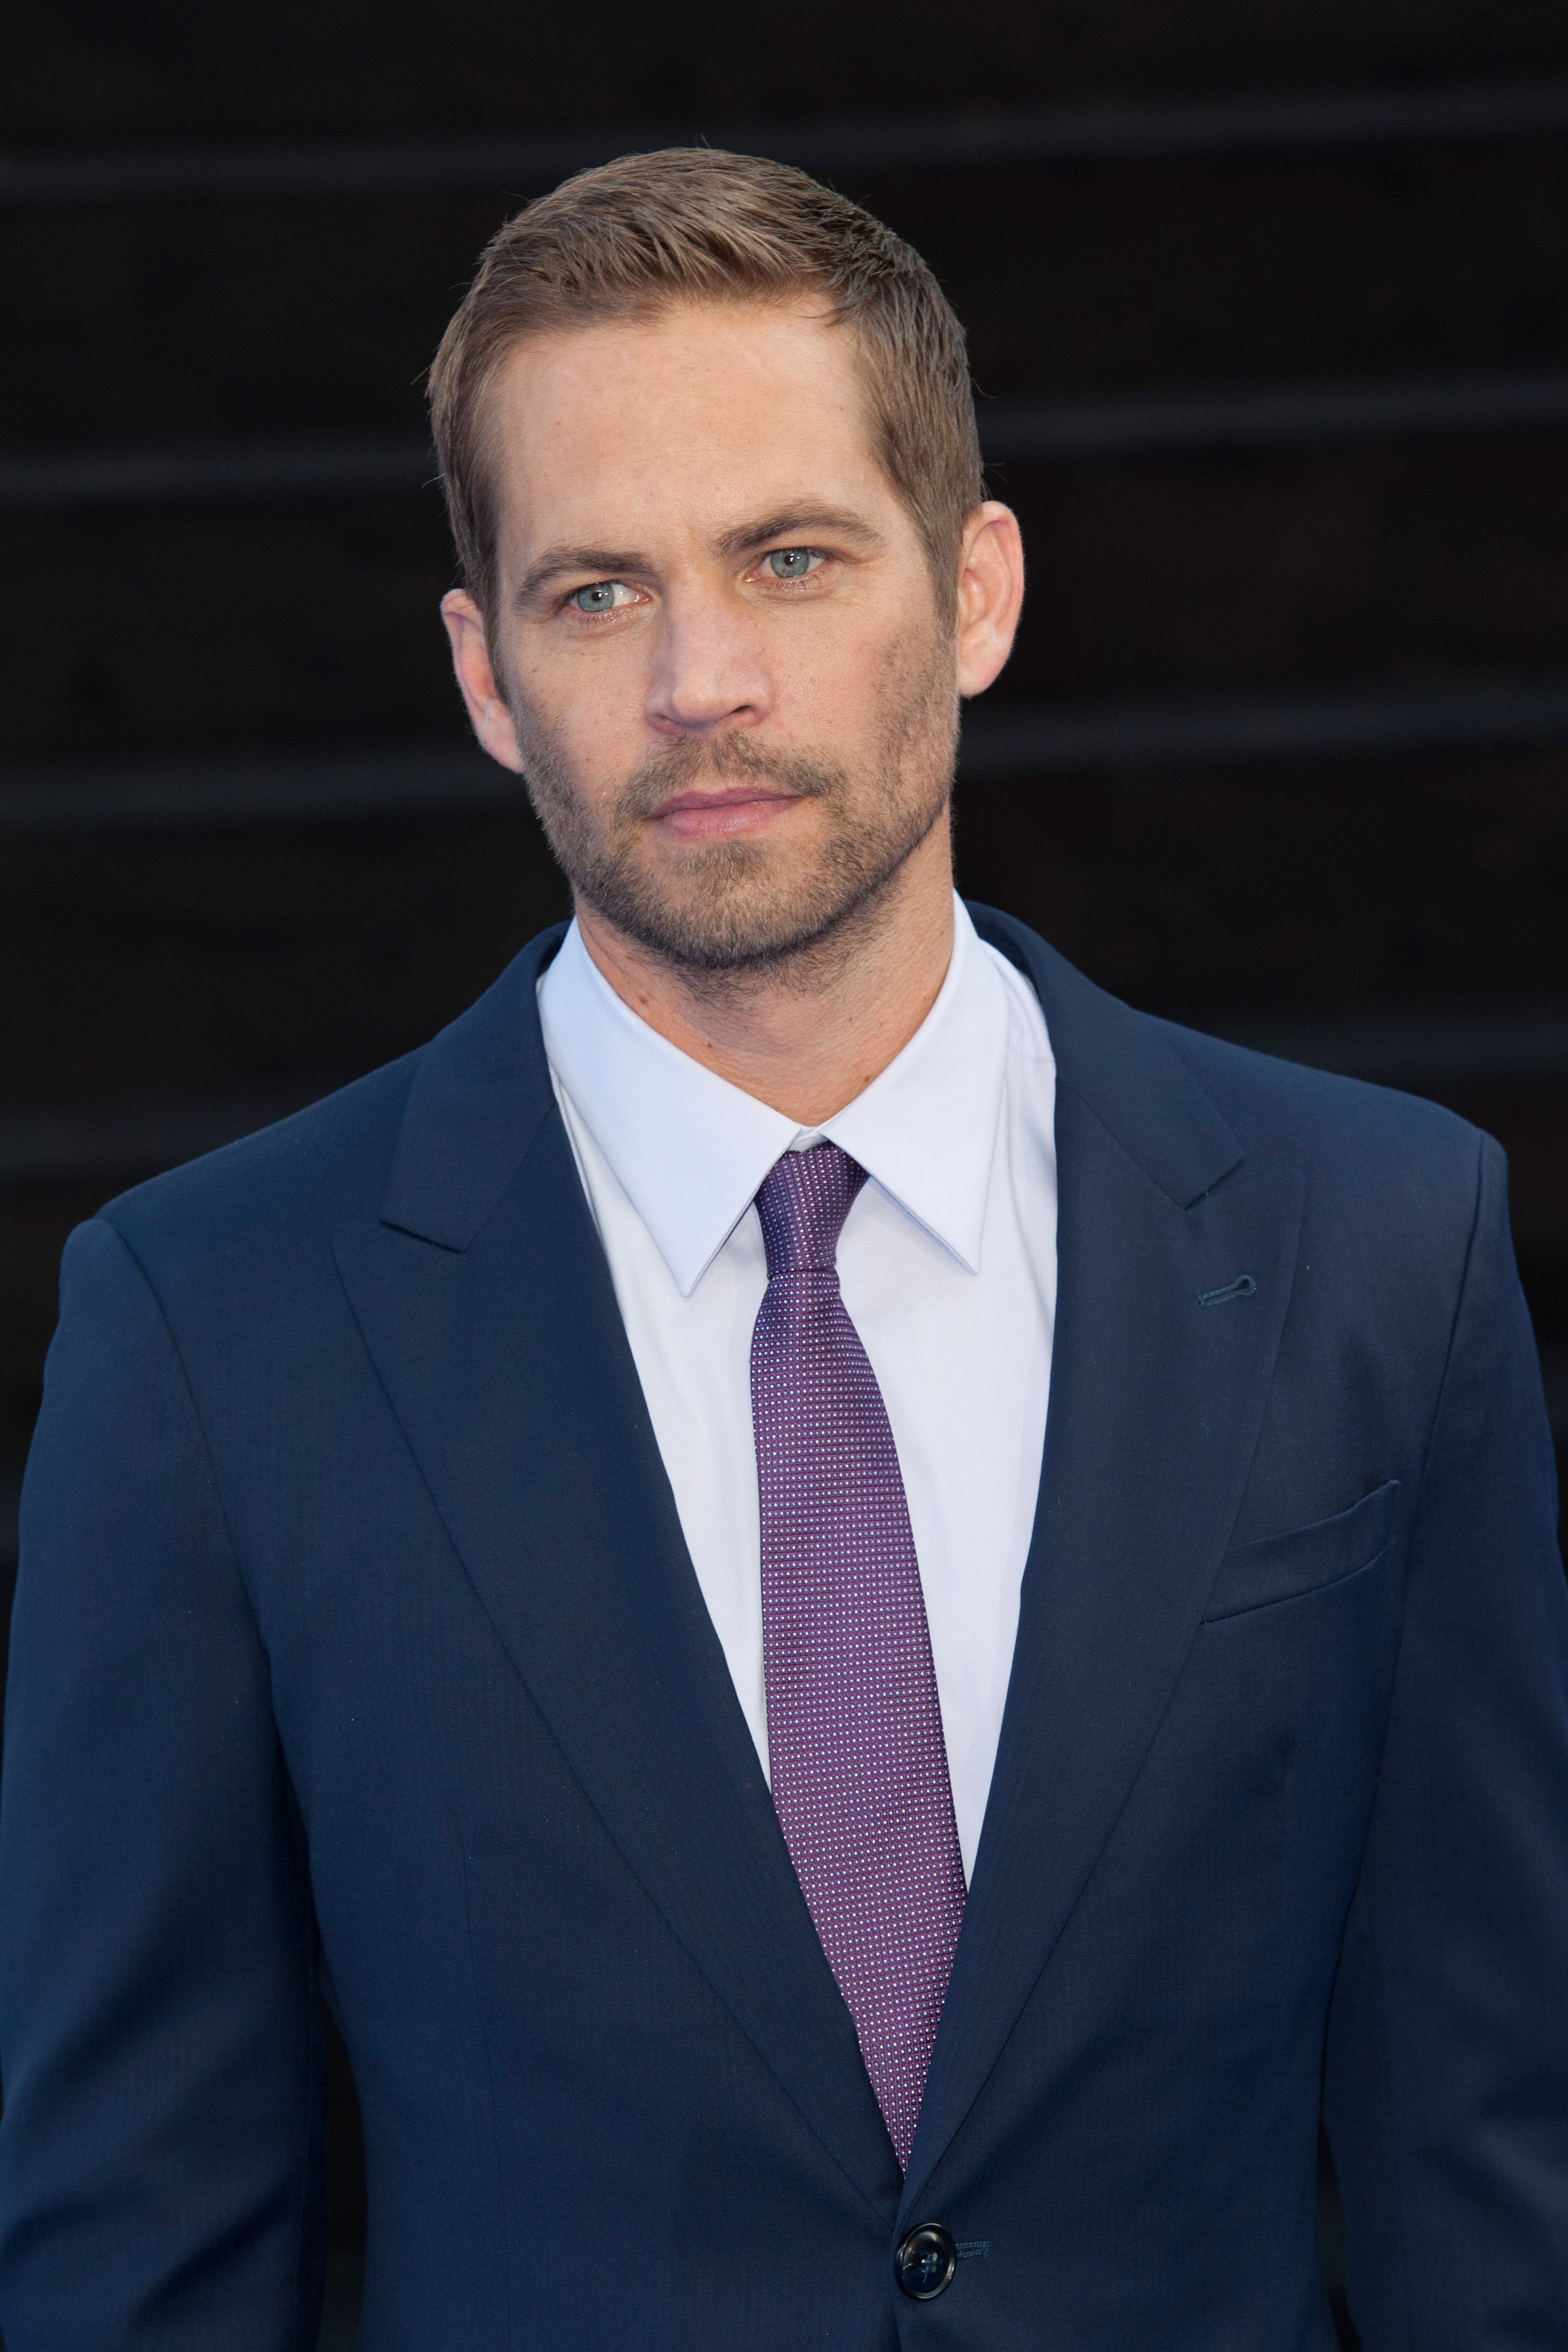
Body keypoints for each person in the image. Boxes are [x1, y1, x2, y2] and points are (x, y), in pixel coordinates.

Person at [2, 148, 1565, 2352]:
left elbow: (1485, 2170)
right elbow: (134, 2240)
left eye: (791, 558)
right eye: (594, 593)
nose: (700, 681)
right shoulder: (210, 1327)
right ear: (481, 671)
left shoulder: (1381, 1246)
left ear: (979, 590)